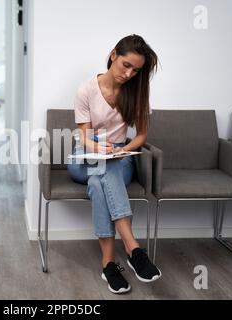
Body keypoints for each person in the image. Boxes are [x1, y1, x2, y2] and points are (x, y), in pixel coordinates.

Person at [67, 34, 161, 294]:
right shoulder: (86, 90)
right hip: (85, 158)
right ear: (113, 55)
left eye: (136, 70)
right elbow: (84, 137)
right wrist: (99, 149)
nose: (129, 74)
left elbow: (141, 135)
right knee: (100, 169)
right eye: (126, 65)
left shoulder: (137, 92)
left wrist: (123, 150)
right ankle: (133, 249)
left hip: (119, 158)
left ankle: (108, 264)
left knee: (100, 181)